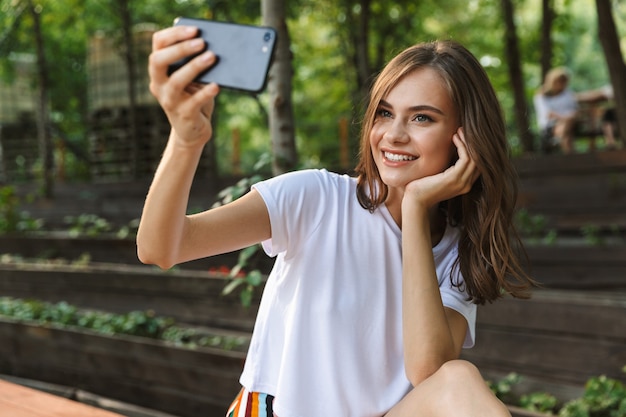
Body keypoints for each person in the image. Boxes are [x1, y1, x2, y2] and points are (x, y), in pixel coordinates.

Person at [138, 24, 536, 417]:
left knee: (458, 381)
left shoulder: (456, 250)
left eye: (422, 118)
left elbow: (427, 371)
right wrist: (186, 141)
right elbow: (162, 249)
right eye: (384, 113)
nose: (393, 135)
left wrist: (414, 208)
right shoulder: (316, 197)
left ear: (464, 139)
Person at [533, 67, 579, 154]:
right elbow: (547, 114)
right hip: (550, 125)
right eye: (560, 82)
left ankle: (562, 144)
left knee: (566, 128)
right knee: (567, 130)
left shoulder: (567, 93)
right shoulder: (541, 95)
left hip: (569, 123)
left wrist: (568, 118)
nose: (563, 85)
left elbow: (574, 109)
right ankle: (570, 154)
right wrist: (565, 118)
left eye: (564, 82)